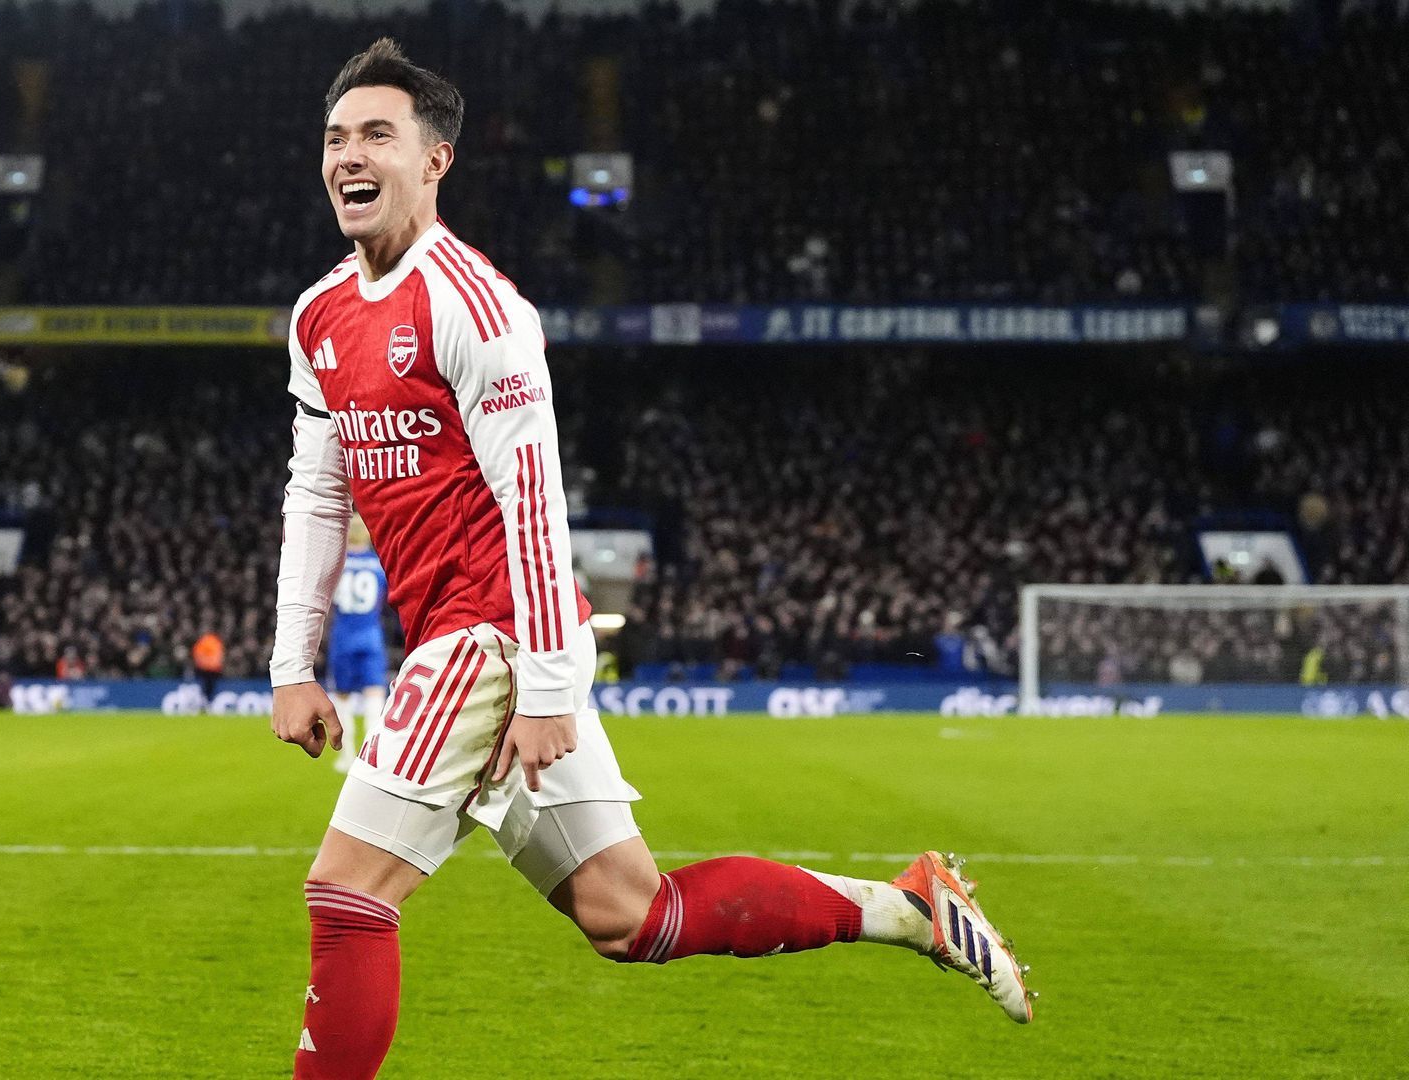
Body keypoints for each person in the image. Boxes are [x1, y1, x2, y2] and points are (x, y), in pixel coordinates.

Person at [267, 40, 1034, 1080]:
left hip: (494, 634)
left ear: (436, 159)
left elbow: (534, 505)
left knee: (348, 894)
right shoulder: (319, 316)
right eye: (335, 138)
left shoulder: (476, 308)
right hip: (477, 639)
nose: (348, 156)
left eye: (376, 135)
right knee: (635, 914)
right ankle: (910, 908)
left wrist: (541, 682)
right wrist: (293, 664)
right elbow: (319, 491)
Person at [326, 515, 390, 773]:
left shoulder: (336, 566)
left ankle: (346, 755)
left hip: (343, 636)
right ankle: (372, 756)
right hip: (371, 635)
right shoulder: (378, 566)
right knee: (375, 693)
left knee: (342, 695)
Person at [192, 631, 225, 700]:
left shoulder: (214, 643)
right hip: (206, 670)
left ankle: (206, 700)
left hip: (212, 671)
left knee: (208, 686)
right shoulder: (203, 644)